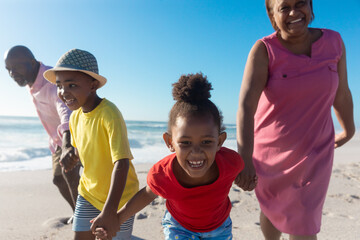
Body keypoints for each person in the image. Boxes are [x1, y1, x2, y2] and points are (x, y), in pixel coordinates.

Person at [235, 0, 355, 240]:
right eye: (284, 7)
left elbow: (341, 94)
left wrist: (348, 130)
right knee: (271, 210)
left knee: (304, 220)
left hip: (316, 152)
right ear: (272, 17)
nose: (293, 12)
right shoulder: (263, 50)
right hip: (271, 153)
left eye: (300, 3)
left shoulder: (334, 42)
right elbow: (246, 107)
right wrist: (244, 158)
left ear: (311, 7)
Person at [94, 73, 245, 240]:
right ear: (170, 142)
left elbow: (244, 173)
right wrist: (117, 219)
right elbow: (146, 194)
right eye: (185, 143)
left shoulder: (231, 162)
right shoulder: (162, 174)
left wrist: (248, 178)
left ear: (220, 141)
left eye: (206, 142)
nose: (196, 152)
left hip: (220, 228)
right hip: (179, 228)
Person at [43, 48, 139, 240]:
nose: (63, 92)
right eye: (60, 85)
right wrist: (72, 156)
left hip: (119, 199)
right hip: (88, 193)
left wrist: (110, 210)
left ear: (93, 85)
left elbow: (121, 163)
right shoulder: (75, 117)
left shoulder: (109, 113)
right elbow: (87, 150)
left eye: (72, 85)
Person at [4, 46, 80, 222]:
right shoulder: (30, 79)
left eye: (16, 68)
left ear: (31, 63)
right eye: (8, 69)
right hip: (57, 140)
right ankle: (79, 213)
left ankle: (85, 220)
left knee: (70, 174)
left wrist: (69, 145)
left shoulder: (52, 81)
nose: (12, 74)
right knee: (58, 179)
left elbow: (66, 112)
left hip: (75, 134)